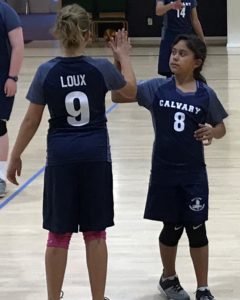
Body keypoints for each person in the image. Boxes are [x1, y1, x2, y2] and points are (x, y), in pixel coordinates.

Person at [7, 4, 136, 300]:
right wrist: (123, 58)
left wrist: (14, 155)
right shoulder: (100, 68)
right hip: (95, 157)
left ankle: (53, 296)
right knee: (95, 232)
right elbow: (128, 91)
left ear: (59, 33)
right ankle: (98, 297)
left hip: (61, 159)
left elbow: (30, 120)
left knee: (58, 234)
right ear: (88, 34)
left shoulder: (46, 71)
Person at [111, 34, 228, 300]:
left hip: (194, 174)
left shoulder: (205, 94)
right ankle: (169, 278)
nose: (174, 56)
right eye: (173, 52)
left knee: (197, 229)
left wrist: (213, 131)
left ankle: (203, 287)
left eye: (182, 53)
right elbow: (119, 95)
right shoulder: (156, 88)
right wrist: (120, 60)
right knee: (172, 228)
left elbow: (221, 127)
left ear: (197, 62)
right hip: (164, 172)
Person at [0, 1, 24, 197]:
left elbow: (18, 45)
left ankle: (0, 178)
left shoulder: (5, 11)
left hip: (1, 79)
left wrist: (12, 77)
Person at [156, 0, 204, 77]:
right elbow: (158, 11)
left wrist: (202, 40)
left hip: (186, 37)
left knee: (187, 68)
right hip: (169, 37)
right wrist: (171, 5)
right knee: (170, 70)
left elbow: (195, 20)